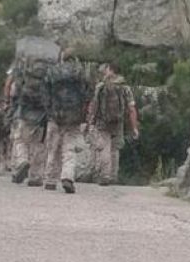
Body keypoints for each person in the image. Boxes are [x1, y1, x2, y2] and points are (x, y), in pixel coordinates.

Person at [43, 51, 91, 193]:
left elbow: (45, 93)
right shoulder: (80, 72)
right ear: (74, 58)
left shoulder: (52, 71)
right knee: (69, 148)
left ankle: (50, 180)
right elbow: (88, 93)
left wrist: (49, 110)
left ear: (62, 58)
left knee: (53, 148)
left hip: (55, 114)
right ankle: (67, 177)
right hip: (74, 116)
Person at [86, 63, 139, 186]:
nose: (105, 71)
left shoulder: (100, 86)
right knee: (115, 149)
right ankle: (113, 176)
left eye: (107, 69)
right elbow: (131, 108)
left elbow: (93, 106)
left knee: (104, 147)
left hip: (102, 122)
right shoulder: (125, 87)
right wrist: (134, 127)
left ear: (110, 70)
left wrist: (90, 122)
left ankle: (105, 175)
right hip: (118, 123)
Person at [11, 56, 54, 186]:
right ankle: (35, 176)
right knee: (39, 146)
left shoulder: (25, 76)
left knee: (20, 141)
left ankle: (22, 161)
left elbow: (14, 93)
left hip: (25, 114)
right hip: (41, 117)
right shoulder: (48, 78)